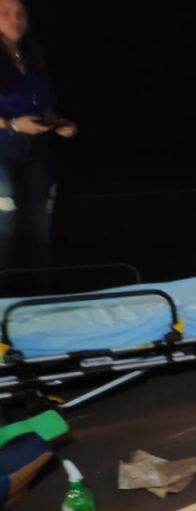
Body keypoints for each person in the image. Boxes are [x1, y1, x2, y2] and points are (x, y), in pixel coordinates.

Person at [0, 0, 76, 296]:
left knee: (39, 228)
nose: (14, 19)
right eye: (5, 13)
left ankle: (44, 297)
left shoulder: (32, 57)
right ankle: (3, 305)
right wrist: (14, 126)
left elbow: (44, 108)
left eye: (20, 14)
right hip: (2, 152)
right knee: (4, 230)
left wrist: (59, 123)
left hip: (36, 153)